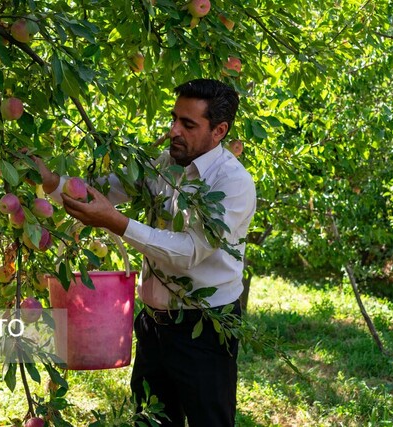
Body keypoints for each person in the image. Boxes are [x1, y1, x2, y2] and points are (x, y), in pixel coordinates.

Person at [34, 78, 256, 426]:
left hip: (205, 327)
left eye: (188, 124)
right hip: (153, 325)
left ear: (219, 130)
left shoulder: (232, 183)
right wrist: (51, 182)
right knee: (151, 420)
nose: (173, 132)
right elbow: (102, 193)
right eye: (173, 119)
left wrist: (117, 223)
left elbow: (189, 252)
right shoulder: (161, 164)